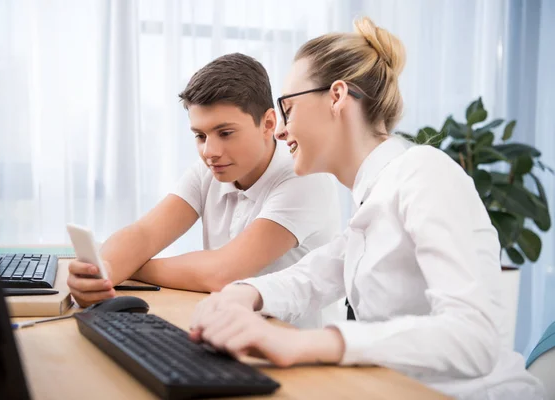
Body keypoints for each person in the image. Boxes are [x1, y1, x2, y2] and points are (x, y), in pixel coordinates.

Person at [188, 18, 544, 399]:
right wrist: (243, 294)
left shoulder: (423, 173)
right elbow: (312, 277)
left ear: (337, 96)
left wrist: (308, 345)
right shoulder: (375, 197)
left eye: (288, 110)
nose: (279, 130)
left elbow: (476, 338)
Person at [67, 53, 341, 328]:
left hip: (302, 353)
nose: (209, 152)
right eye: (200, 136)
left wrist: (130, 266)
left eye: (225, 133)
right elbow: (145, 233)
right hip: (235, 335)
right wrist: (106, 270)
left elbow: (223, 273)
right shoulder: (209, 171)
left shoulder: (304, 178)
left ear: (269, 124)